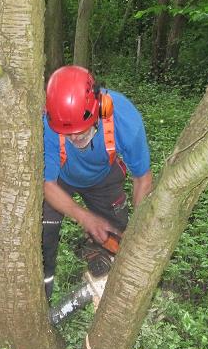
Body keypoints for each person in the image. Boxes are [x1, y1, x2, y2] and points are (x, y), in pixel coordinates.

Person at [42, 65, 153, 299]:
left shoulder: (124, 118)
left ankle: (101, 269)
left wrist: (138, 226)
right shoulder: (49, 122)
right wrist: (84, 216)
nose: (74, 138)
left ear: (99, 109)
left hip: (103, 178)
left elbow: (142, 177)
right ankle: (41, 293)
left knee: (118, 239)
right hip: (61, 178)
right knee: (42, 232)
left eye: (80, 130)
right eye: (67, 132)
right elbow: (47, 184)